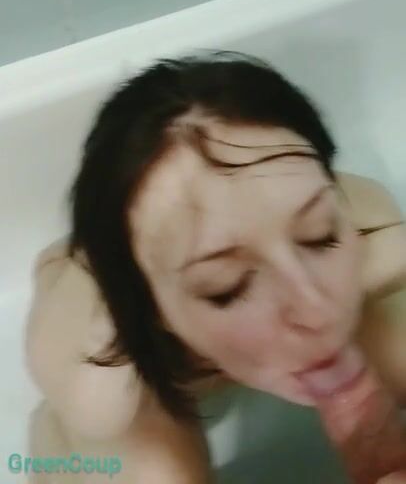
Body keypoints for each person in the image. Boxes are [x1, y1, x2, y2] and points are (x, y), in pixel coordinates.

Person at [26, 52, 406, 483]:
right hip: (147, 367)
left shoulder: (371, 229)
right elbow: (94, 402)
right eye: (226, 287)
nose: (316, 310)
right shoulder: (94, 366)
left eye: (319, 235)